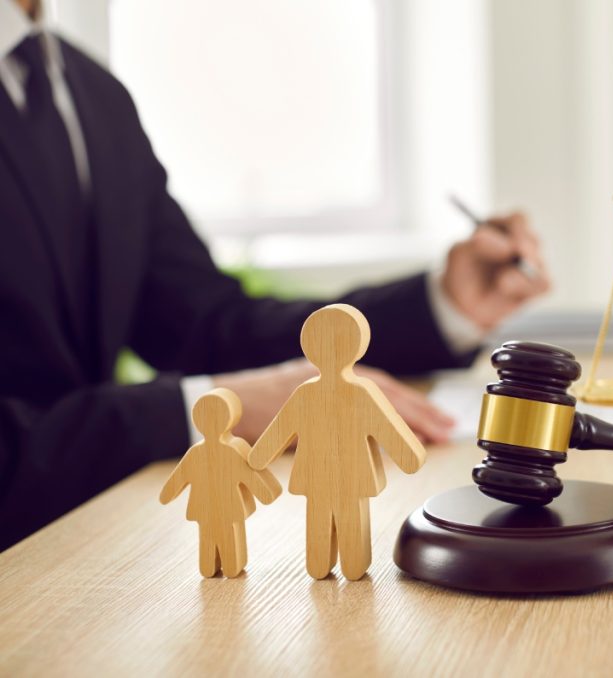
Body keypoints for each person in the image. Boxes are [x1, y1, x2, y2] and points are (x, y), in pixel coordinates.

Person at [0, 0, 550, 550]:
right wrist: (211, 411)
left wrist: (444, 306)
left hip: (79, 550)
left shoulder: (92, 93)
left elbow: (207, 326)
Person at [249, 305, 426, 580]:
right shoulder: (324, 392)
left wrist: (259, 457)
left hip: (333, 474)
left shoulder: (337, 392)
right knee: (329, 518)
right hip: (333, 474)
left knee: (338, 517)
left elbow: (386, 427)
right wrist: (408, 457)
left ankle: (340, 565)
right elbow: (280, 429)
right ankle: (332, 565)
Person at [159, 388, 282, 578]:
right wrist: (266, 494)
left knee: (218, 536)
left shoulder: (221, 450)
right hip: (217, 507)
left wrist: (267, 492)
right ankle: (220, 567)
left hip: (216, 507)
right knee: (215, 537)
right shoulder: (209, 452)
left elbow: (250, 474)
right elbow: (179, 478)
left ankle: (222, 566)